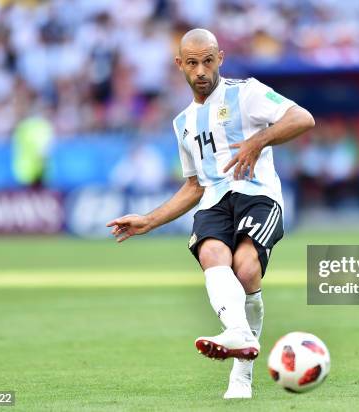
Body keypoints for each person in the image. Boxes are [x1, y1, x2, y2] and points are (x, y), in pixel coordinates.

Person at [106, 28, 315, 399]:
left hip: (257, 195)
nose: (200, 71)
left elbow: (303, 118)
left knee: (246, 268)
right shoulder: (182, 123)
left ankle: (241, 374)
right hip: (215, 201)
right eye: (192, 63)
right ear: (179, 65)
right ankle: (239, 334)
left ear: (219, 58)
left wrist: (257, 140)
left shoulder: (245, 92)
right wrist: (149, 220)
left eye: (207, 61)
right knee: (211, 254)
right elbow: (194, 185)